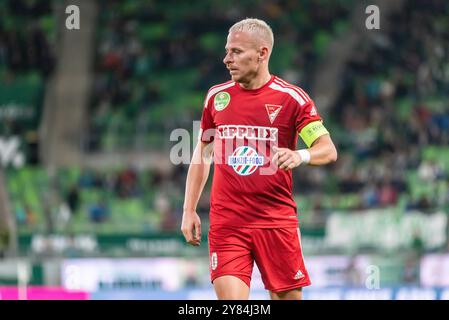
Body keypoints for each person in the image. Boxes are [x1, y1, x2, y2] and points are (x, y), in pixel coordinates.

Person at [181, 18, 337, 300]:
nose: (227, 59)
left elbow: (328, 149)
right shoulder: (216, 97)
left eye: (236, 52)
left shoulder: (292, 99)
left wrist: (299, 155)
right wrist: (188, 209)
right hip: (228, 224)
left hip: (276, 223)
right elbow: (202, 155)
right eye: (228, 51)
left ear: (262, 53)